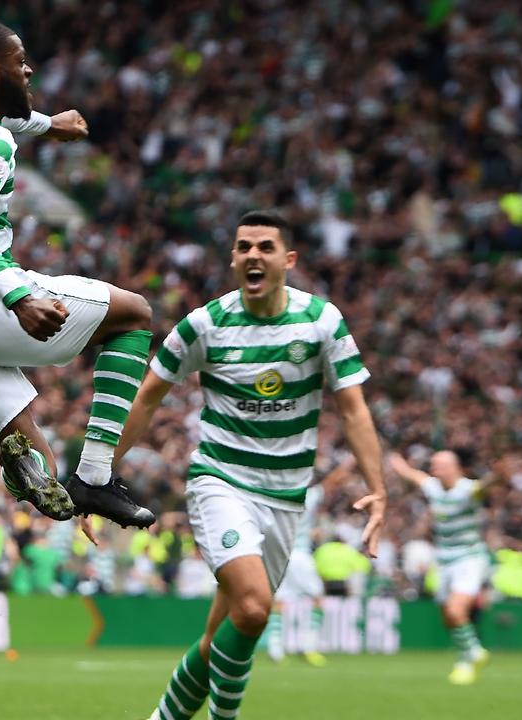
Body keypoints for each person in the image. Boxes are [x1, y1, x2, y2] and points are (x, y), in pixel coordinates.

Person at [115, 211, 388, 720]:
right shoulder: (205, 324)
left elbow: (353, 407)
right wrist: (96, 475)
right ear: (234, 259)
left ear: (288, 260)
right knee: (256, 608)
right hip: (221, 481)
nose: (253, 256)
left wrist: (379, 488)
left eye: (265, 247)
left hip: (285, 498)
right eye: (244, 247)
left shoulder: (321, 322)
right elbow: (148, 399)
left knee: (222, 634)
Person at [0, 19, 154, 530]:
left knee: (46, 472)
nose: (30, 68)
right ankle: (98, 476)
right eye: (20, 61)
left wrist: (47, 124)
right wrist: (18, 296)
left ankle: (30, 469)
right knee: (134, 315)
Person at [389, 450, 495, 685]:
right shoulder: (433, 487)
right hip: (443, 560)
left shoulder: (469, 489)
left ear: (455, 468)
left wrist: (498, 476)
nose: (434, 469)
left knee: (456, 610)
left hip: (469, 558)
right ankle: (467, 657)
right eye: (433, 465)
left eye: (440, 465)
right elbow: (412, 475)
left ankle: (473, 654)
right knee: (448, 616)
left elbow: (485, 487)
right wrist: (395, 461)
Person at [265, 456, 357, 667]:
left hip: (280, 555)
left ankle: (276, 647)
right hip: (300, 554)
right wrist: (349, 462)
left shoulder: (274, 497)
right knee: (317, 598)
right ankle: (309, 645)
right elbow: (333, 481)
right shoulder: (308, 495)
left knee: (279, 601)